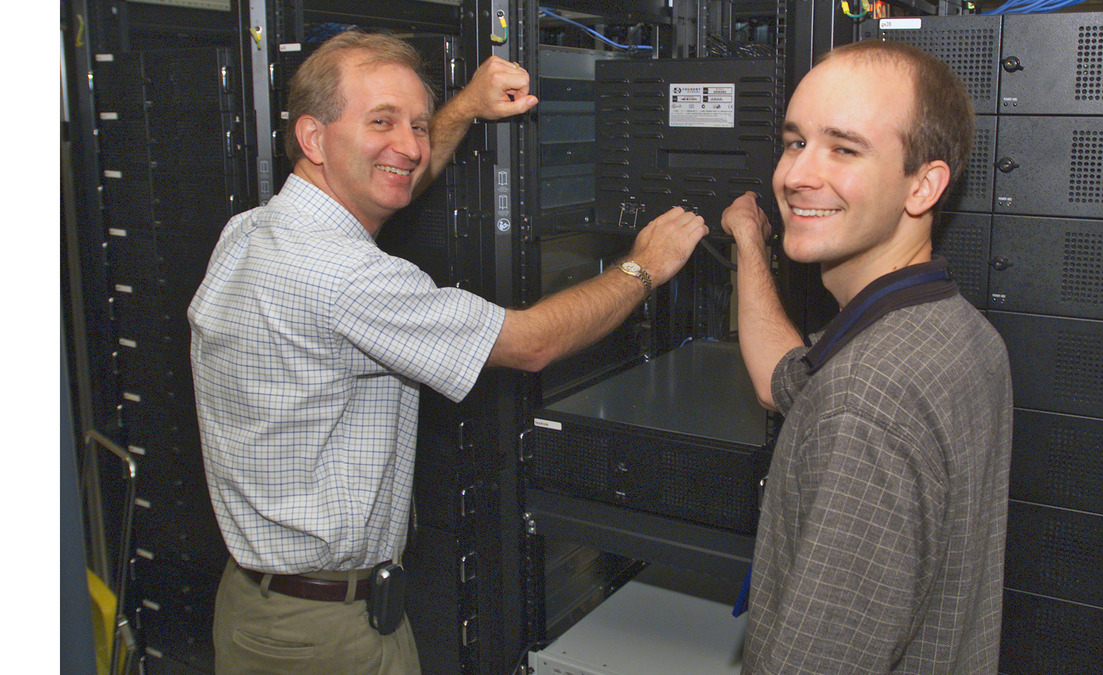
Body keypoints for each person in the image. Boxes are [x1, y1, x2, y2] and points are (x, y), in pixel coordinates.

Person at [188, 31, 707, 674]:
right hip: (328, 637)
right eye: (382, 121)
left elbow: (389, 178)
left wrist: (461, 110)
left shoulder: (253, 230)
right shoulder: (345, 278)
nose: (408, 146)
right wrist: (644, 267)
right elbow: (532, 343)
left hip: (259, 609)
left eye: (419, 125)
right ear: (313, 138)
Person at [720, 40, 1012, 673]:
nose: (796, 174)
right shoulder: (952, 329)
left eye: (844, 149)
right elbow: (785, 382)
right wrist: (748, 239)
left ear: (923, 185)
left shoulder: (866, 397)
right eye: (795, 141)